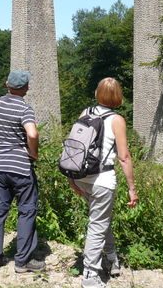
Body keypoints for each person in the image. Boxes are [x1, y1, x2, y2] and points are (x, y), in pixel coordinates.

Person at [68, 77, 138, 288]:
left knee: (101, 218)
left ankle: (111, 259)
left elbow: (74, 147)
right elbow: (124, 157)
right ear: (118, 96)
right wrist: (132, 189)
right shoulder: (117, 120)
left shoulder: (85, 113)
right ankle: (90, 276)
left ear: (97, 93)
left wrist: (72, 179)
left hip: (82, 177)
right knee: (98, 225)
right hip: (103, 180)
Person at [0, 70, 45, 274]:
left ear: (6, 84)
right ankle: (22, 261)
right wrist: (33, 153)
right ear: (26, 88)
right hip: (20, 167)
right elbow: (32, 133)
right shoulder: (25, 109)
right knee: (27, 210)